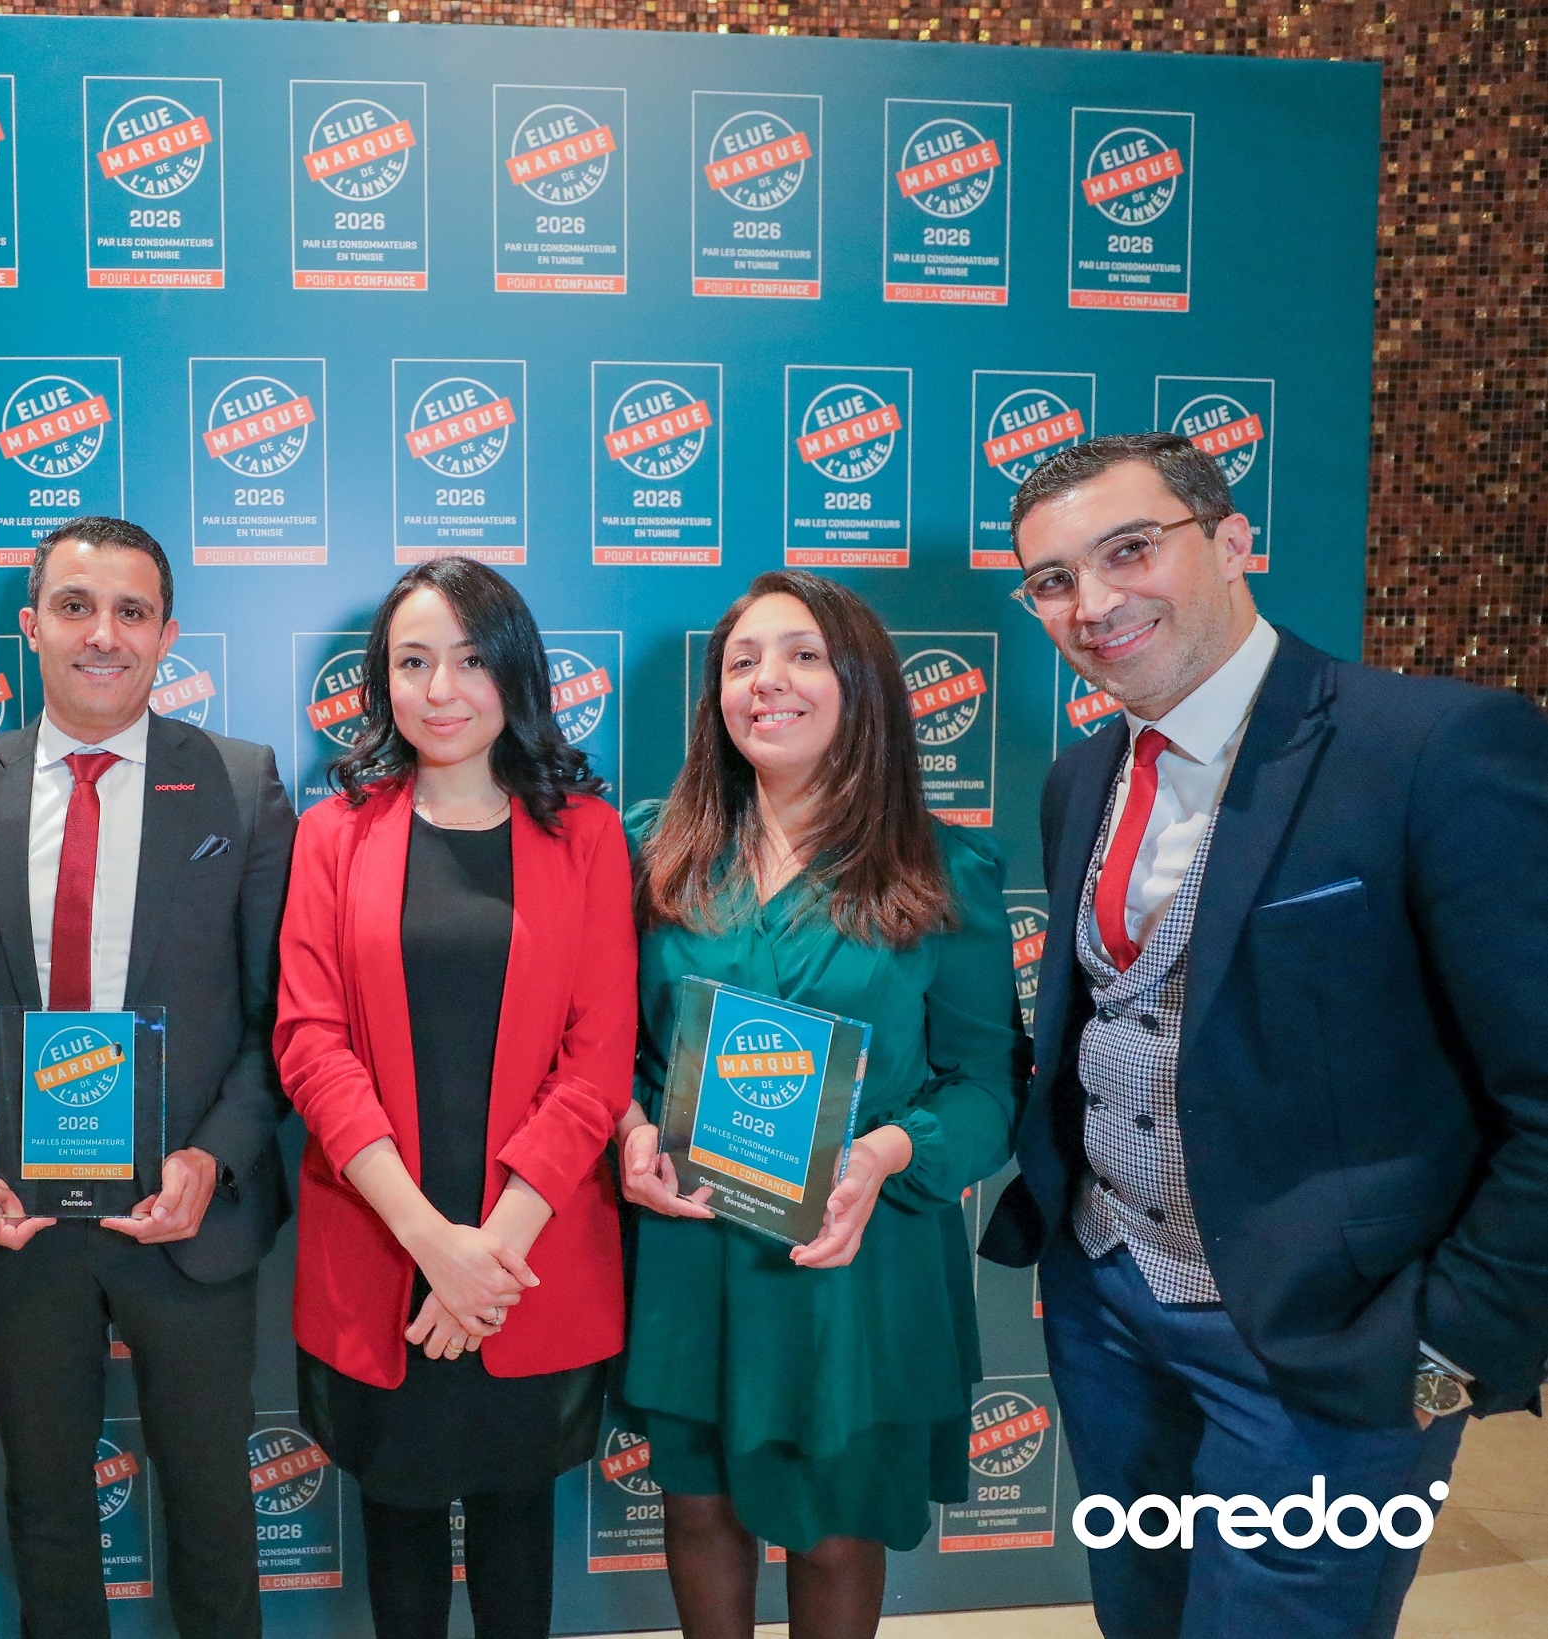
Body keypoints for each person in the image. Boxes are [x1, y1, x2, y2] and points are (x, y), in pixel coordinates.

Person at [980, 432, 1548, 1637]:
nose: (1094, 602)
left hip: (1325, 1345)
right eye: (1054, 579)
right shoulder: (1080, 778)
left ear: (1233, 542)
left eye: (1130, 550)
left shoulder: (1434, 747)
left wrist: (1451, 1341)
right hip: (1109, 1308)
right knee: (1141, 1615)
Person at [0, 516, 296, 1639]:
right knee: (48, 1507)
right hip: (16, 1217)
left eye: (130, 611)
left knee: (213, 1506)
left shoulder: (241, 783)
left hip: (188, 1214)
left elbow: (281, 1015)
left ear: (166, 634)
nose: (102, 633)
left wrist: (215, 1156)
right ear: (31, 626)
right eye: (75, 606)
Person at [613, 570, 1022, 1639]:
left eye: (801, 655)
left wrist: (885, 1153)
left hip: (858, 1252)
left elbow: (988, 1087)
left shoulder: (944, 866)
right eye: (742, 661)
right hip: (695, 1240)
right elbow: (603, 1046)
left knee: (839, 1528)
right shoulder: (651, 848)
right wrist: (629, 1125)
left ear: (862, 684)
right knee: (699, 1507)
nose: (767, 681)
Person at [273, 557, 636, 1639]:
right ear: (380, 680)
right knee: (400, 1534)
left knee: (520, 1532)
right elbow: (310, 1044)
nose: (440, 690)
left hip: (530, 1259)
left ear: (514, 673)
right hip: (382, 1249)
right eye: (412, 662)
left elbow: (597, 1059)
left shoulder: (587, 835)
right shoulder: (332, 834)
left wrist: (489, 1257)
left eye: (471, 660)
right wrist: (433, 1243)